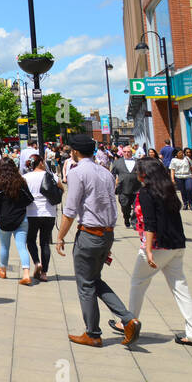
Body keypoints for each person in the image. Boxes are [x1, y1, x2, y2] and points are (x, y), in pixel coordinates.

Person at [56, 133, 139, 347]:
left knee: (85, 285)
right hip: (107, 232)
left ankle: (93, 333)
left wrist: (60, 236)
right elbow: (109, 205)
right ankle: (128, 319)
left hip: (89, 234)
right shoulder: (105, 172)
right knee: (95, 280)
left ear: (74, 152)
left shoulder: (77, 173)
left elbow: (71, 210)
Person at [119, 158, 192, 346]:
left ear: (144, 174)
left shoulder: (146, 192)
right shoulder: (168, 189)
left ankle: (129, 322)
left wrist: (148, 249)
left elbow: (150, 222)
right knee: (180, 289)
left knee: (138, 282)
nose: (136, 174)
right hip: (177, 244)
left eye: (138, 170)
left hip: (158, 246)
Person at [0, 157, 35, 285]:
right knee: (22, 247)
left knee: (4, 246)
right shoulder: (20, 182)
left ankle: (3, 269)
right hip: (20, 218)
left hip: (4, 219)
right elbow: (29, 199)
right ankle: (26, 273)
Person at [23, 154, 58, 280]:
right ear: (42, 163)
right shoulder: (52, 176)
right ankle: (44, 273)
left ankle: (37, 262)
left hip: (32, 212)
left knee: (30, 240)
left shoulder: (26, 177)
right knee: (45, 242)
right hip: (49, 213)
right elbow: (62, 189)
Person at [112, 144, 140, 229]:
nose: (127, 153)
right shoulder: (117, 162)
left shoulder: (138, 161)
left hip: (137, 188)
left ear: (132, 152)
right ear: (122, 153)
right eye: (125, 152)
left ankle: (134, 222)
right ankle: (126, 218)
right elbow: (112, 174)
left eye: (129, 152)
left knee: (137, 207)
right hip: (123, 189)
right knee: (125, 206)